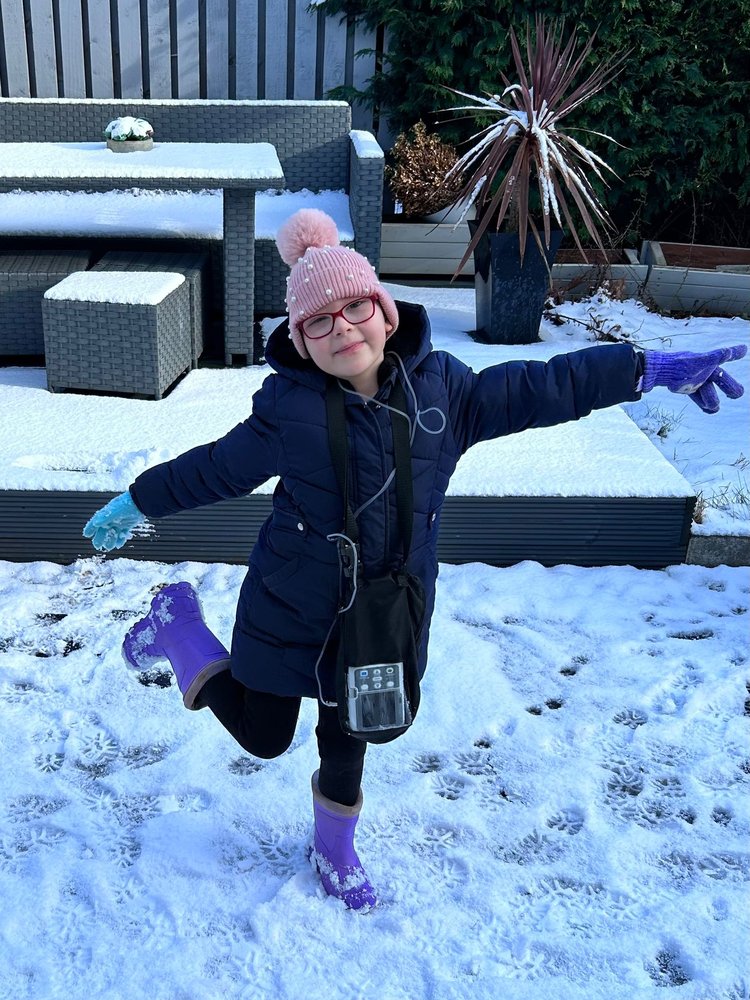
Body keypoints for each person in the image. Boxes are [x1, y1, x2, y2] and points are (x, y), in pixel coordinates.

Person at [83, 208, 746, 911]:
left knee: (351, 734)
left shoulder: (447, 392)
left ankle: (334, 847)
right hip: (290, 604)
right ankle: (180, 626)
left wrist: (645, 370)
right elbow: (215, 468)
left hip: (386, 610)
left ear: (386, 310)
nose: (342, 328)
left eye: (355, 307)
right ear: (299, 342)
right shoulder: (287, 413)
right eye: (318, 321)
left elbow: (545, 386)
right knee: (263, 735)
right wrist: (138, 500)